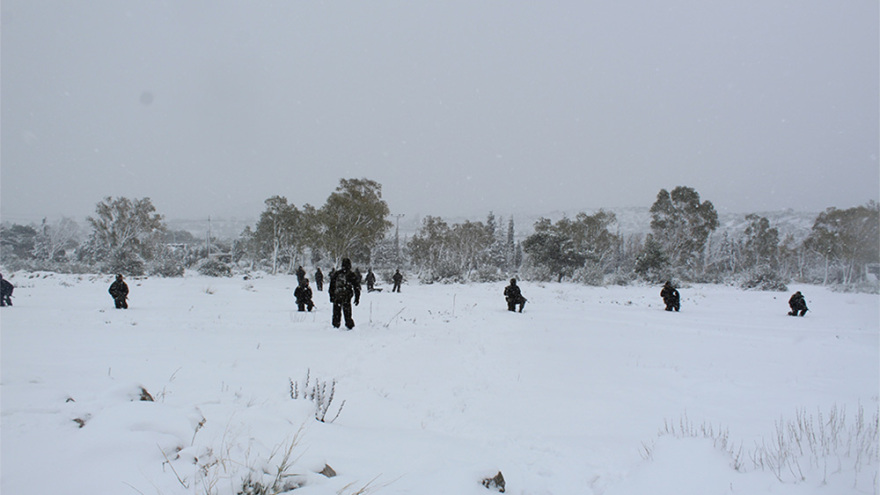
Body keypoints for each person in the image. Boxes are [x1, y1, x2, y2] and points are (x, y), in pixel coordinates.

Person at [329, 258, 361, 329]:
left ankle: (335, 325)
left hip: (337, 296)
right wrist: (357, 298)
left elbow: (332, 286)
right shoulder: (351, 274)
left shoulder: (337, 274)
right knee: (347, 312)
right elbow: (356, 287)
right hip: (347, 296)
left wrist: (331, 296)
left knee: (336, 312)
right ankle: (349, 325)